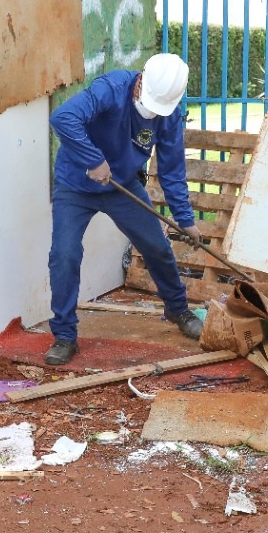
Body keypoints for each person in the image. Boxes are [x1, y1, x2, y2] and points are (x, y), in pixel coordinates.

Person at [44, 53, 205, 366]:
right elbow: (63, 118)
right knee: (64, 255)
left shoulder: (169, 113)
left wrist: (185, 220)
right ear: (141, 81)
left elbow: (172, 170)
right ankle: (65, 335)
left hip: (122, 186)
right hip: (75, 185)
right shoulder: (112, 88)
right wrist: (93, 160)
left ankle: (177, 309)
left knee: (157, 247)